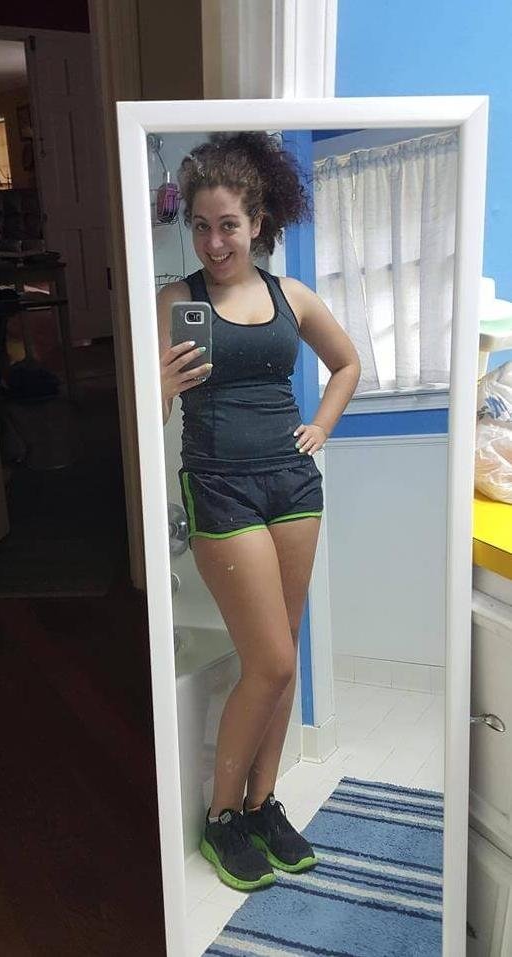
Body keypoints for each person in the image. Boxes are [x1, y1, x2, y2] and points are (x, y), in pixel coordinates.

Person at [157, 132, 361, 893]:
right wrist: (161, 385)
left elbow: (347, 363)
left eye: (229, 225)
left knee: (286, 653)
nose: (214, 243)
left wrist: (322, 427)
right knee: (270, 660)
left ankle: (261, 803)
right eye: (201, 226)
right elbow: (143, 418)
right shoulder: (176, 301)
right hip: (220, 486)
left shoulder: (291, 296)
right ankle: (221, 818)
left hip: (292, 487)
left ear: (258, 221)